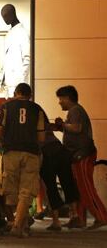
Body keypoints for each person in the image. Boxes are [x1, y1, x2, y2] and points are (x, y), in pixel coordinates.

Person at [0, 83, 45, 237]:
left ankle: (17, 223)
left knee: (11, 190)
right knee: (26, 191)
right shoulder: (38, 109)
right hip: (31, 153)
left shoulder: (6, 107)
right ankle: (21, 223)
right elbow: (41, 137)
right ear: (30, 95)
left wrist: (3, 142)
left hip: (11, 152)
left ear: (16, 93)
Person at [54, 85, 107, 230]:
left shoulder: (76, 110)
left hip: (82, 155)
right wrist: (61, 126)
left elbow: (77, 128)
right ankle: (80, 219)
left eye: (60, 99)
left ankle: (101, 217)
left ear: (67, 98)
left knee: (86, 188)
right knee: (79, 189)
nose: (59, 102)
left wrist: (62, 125)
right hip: (77, 155)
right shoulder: (75, 110)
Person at [40, 113, 80, 230]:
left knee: (50, 186)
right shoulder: (45, 122)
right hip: (61, 150)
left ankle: (56, 221)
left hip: (46, 153)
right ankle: (75, 215)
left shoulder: (30, 124)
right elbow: (54, 127)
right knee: (68, 182)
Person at [0, 4, 30, 98]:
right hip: (7, 82)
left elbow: (27, 58)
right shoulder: (9, 33)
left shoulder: (23, 32)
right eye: (3, 17)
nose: (4, 19)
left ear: (12, 14)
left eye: (5, 16)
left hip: (17, 83)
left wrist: (22, 82)